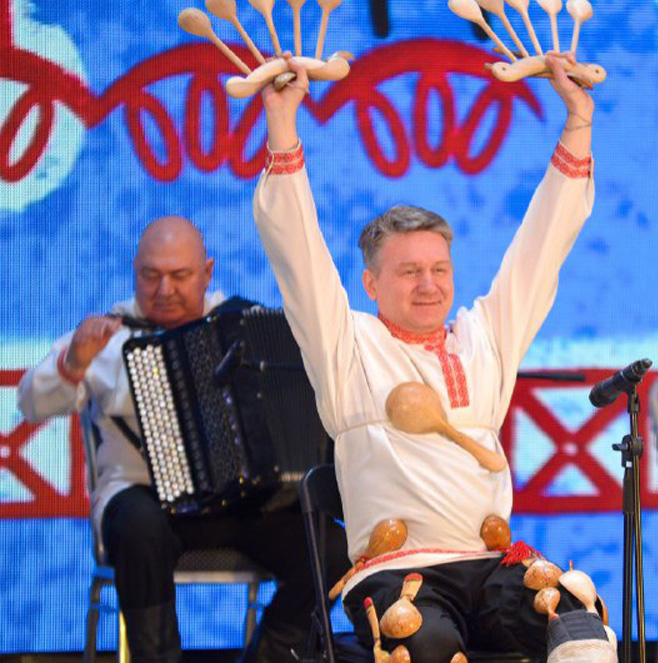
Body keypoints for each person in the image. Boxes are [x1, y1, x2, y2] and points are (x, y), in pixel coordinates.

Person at [252, 53, 614, 663]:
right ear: (371, 284)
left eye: (439, 269)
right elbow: (298, 251)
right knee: (428, 646)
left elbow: (542, 248)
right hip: (397, 574)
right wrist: (283, 125)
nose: (428, 285)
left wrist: (578, 122)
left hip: (493, 564)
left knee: (581, 631)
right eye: (409, 271)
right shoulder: (348, 345)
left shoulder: (484, 336)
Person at [18, 216, 337, 663]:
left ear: (207, 273)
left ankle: (270, 655)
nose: (164, 289)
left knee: (331, 547)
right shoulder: (107, 336)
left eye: (179, 275)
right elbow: (31, 404)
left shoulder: (244, 324)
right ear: (134, 272)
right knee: (138, 526)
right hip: (146, 506)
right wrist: (72, 365)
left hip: (240, 504)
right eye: (151, 275)